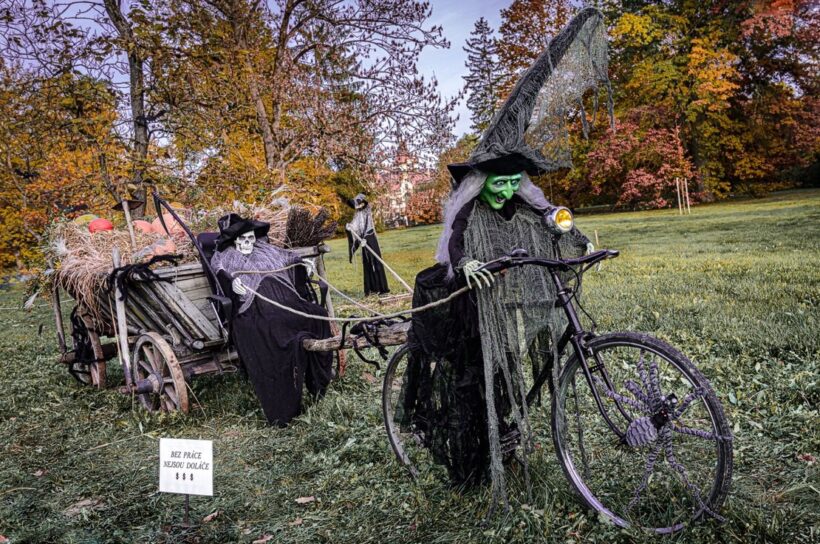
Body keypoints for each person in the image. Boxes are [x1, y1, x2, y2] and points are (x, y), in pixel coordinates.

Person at [395, 8, 612, 511]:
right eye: (500, 179)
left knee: (509, 363)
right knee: (475, 373)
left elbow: (547, 218)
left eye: (516, 179)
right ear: (482, 178)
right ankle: (473, 451)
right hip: (466, 300)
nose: (508, 188)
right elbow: (454, 243)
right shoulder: (470, 207)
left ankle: (507, 428)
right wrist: (466, 265)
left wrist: (568, 229)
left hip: (504, 294)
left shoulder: (519, 198)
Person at [210, 213, 333, 426]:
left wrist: (303, 262)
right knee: (273, 328)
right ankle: (283, 401)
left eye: (251, 238)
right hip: (253, 309)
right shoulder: (224, 257)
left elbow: (289, 256)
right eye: (243, 239)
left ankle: (317, 383)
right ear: (234, 241)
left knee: (317, 315)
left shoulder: (265, 249)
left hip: (285, 298)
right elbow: (220, 272)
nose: (248, 243)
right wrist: (233, 285)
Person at [345, 193, 390, 296]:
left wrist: (365, 238)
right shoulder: (357, 213)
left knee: (376, 262)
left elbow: (367, 224)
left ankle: (382, 288)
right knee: (367, 263)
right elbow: (355, 226)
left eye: (358, 204)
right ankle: (372, 289)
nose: (356, 207)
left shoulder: (366, 211)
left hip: (370, 238)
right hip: (363, 241)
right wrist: (349, 227)